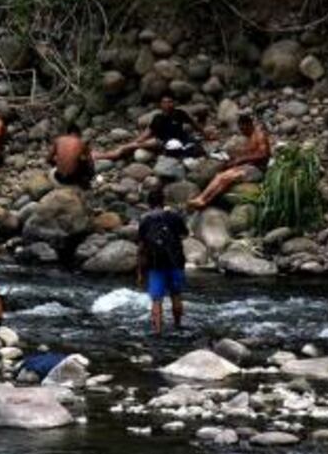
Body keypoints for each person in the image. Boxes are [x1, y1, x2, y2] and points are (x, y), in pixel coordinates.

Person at [188, 112, 271, 210]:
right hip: (249, 167)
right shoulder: (250, 136)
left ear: (249, 125)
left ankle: (205, 200)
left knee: (226, 177)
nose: (242, 132)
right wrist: (234, 158)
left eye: (243, 129)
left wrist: (241, 159)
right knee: (219, 175)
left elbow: (264, 154)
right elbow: (250, 153)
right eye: (240, 129)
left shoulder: (259, 135)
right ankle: (202, 198)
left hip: (258, 170)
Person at [94, 92, 203, 162]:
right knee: (129, 146)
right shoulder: (158, 118)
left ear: (173, 103)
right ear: (161, 104)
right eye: (165, 102)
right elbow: (148, 133)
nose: (168, 104)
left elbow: (194, 124)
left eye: (170, 102)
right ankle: (103, 156)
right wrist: (136, 142)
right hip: (161, 141)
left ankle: (104, 155)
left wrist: (205, 134)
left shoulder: (180, 113)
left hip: (178, 140)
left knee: (131, 146)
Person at [138, 188, 188, 335]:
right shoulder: (174, 216)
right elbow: (185, 234)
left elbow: (141, 248)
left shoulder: (145, 220)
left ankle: (158, 331)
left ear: (149, 203)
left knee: (156, 300)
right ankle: (177, 326)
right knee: (176, 295)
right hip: (175, 262)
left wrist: (140, 273)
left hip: (155, 264)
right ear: (163, 201)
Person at [48, 124, 95, 189]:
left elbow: (48, 159)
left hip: (58, 177)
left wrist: (58, 164)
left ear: (68, 133)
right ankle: (84, 185)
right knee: (85, 162)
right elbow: (90, 163)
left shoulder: (58, 140)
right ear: (79, 133)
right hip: (71, 180)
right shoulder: (81, 143)